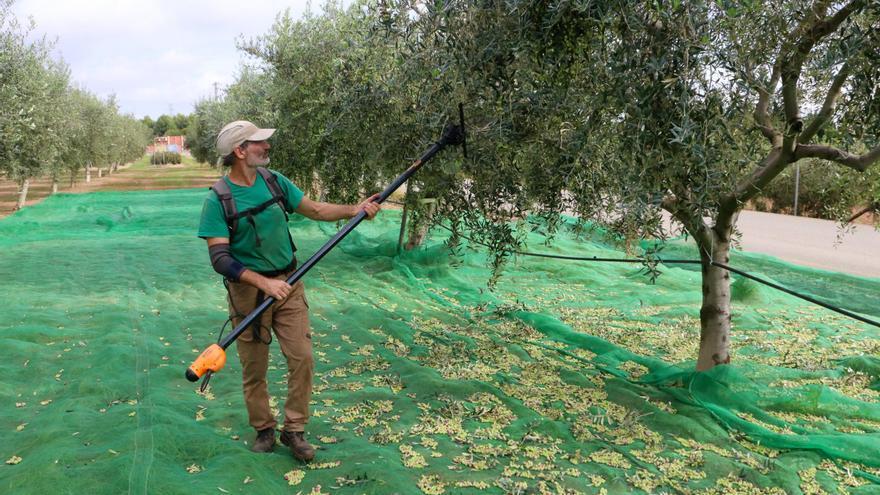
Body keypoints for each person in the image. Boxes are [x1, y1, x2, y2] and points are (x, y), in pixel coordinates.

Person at [197, 120, 380, 462]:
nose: (267, 147)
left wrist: (354, 210)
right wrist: (264, 283)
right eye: (259, 143)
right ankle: (264, 428)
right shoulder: (218, 199)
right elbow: (220, 258)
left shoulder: (273, 181)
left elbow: (314, 209)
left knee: (303, 358)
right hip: (250, 294)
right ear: (240, 151)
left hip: (290, 284)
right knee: (255, 369)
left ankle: (294, 429)